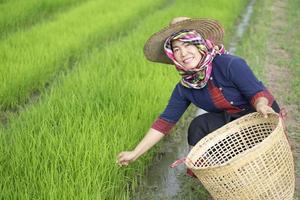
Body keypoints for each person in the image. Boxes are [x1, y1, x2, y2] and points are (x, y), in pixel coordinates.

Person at [116, 17, 280, 173]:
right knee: (198, 126)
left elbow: (257, 93)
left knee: (256, 161)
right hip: (232, 121)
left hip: (261, 115)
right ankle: (213, 175)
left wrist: (261, 105)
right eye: (177, 49)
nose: (183, 53)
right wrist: (135, 153)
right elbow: (164, 122)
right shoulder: (185, 87)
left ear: (199, 45)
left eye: (188, 45)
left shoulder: (228, 63)